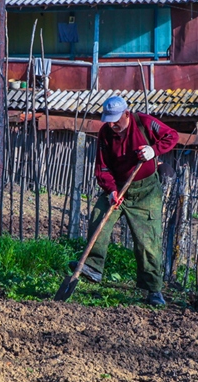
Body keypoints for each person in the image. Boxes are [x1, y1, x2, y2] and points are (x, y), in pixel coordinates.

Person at [71, 95, 179, 306]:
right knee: (99, 218)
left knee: (147, 242)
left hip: (146, 192)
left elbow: (172, 136)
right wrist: (111, 191)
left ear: (126, 114)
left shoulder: (144, 123)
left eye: (116, 120)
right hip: (118, 188)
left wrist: (153, 150)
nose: (112, 124)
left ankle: (153, 290)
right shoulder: (105, 133)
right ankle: (92, 267)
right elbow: (102, 167)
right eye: (108, 120)